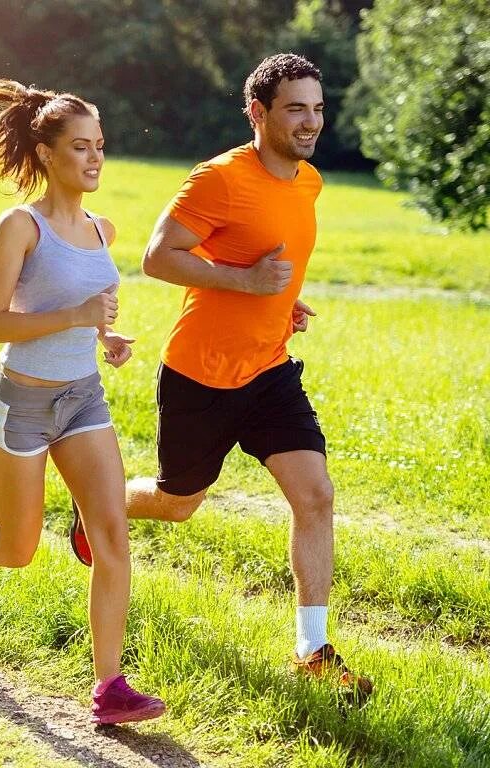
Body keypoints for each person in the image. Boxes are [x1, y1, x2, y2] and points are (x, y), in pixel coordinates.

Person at [70, 54, 372, 699]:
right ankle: (98, 506)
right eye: (296, 108)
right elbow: (157, 257)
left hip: (268, 370)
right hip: (200, 375)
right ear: (257, 113)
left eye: (317, 107)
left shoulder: (309, 182)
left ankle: (312, 649)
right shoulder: (218, 179)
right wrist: (246, 283)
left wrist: (279, 303)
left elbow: (264, 261)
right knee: (179, 504)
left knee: (315, 496)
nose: (311, 121)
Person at [0, 76, 166, 725]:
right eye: (81, 146)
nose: (95, 159)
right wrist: (77, 315)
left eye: (101, 146)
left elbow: (94, 309)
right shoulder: (20, 226)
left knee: (113, 535)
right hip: (19, 405)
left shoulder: (101, 230)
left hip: (82, 400)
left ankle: (110, 686)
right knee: (16, 548)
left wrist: (107, 337)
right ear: (49, 153)